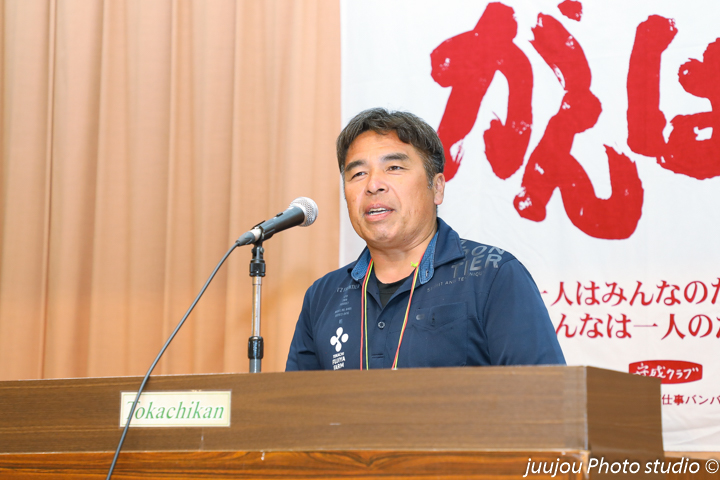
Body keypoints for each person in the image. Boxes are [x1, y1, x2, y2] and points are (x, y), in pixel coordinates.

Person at [286, 108, 565, 371]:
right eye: (358, 173)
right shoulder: (323, 296)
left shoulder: (493, 275)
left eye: (394, 168)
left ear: (437, 187)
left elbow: (545, 394)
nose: (373, 185)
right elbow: (297, 402)